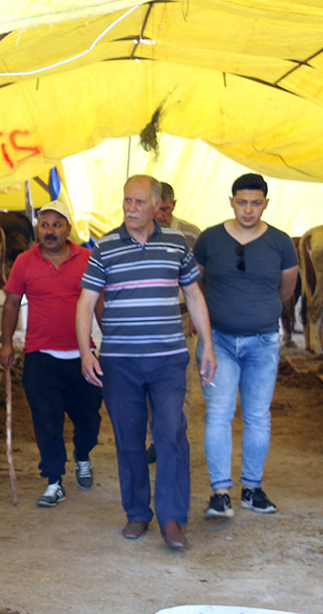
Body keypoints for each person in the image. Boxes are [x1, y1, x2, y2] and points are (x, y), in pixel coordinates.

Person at [76, 175, 217, 550]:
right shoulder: (104, 246)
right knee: (128, 438)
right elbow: (86, 302)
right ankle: (138, 513)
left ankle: (172, 519)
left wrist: (208, 345)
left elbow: (194, 294)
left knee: (171, 433)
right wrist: (86, 350)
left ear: (157, 205)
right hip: (120, 361)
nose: (131, 208)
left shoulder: (176, 244)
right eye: (127, 201)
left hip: (169, 359)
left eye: (139, 202)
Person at [193, 173, 298, 518]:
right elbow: (197, 285)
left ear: (266, 203)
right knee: (219, 415)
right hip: (218, 340)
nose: (248, 209)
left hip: (263, 342)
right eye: (242, 202)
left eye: (255, 203)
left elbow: (285, 291)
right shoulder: (209, 239)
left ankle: (252, 488)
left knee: (257, 417)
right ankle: (220, 493)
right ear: (231, 201)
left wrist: (256, 313)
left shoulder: (281, 243)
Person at [0, 201, 103, 508]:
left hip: (83, 356)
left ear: (69, 229)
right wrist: (6, 343)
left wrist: (113, 340)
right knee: (46, 420)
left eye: (57, 225)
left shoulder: (87, 259)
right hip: (40, 355)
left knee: (89, 419)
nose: (50, 231)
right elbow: (11, 304)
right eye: (45, 225)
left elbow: (99, 304)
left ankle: (83, 454)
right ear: (37, 229)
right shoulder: (24, 262)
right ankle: (54, 480)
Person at [146, 181, 203, 464]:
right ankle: (155, 439)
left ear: (174, 205)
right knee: (149, 381)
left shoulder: (192, 235)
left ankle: (174, 436)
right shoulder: (136, 232)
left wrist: (197, 314)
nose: (159, 215)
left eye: (165, 209)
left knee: (181, 381)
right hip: (146, 319)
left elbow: (204, 277)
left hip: (181, 316)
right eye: (155, 208)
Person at [155, 181, 201, 249]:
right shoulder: (138, 231)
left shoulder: (192, 233)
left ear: (173, 204)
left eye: (165, 209)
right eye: (154, 209)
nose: (159, 215)